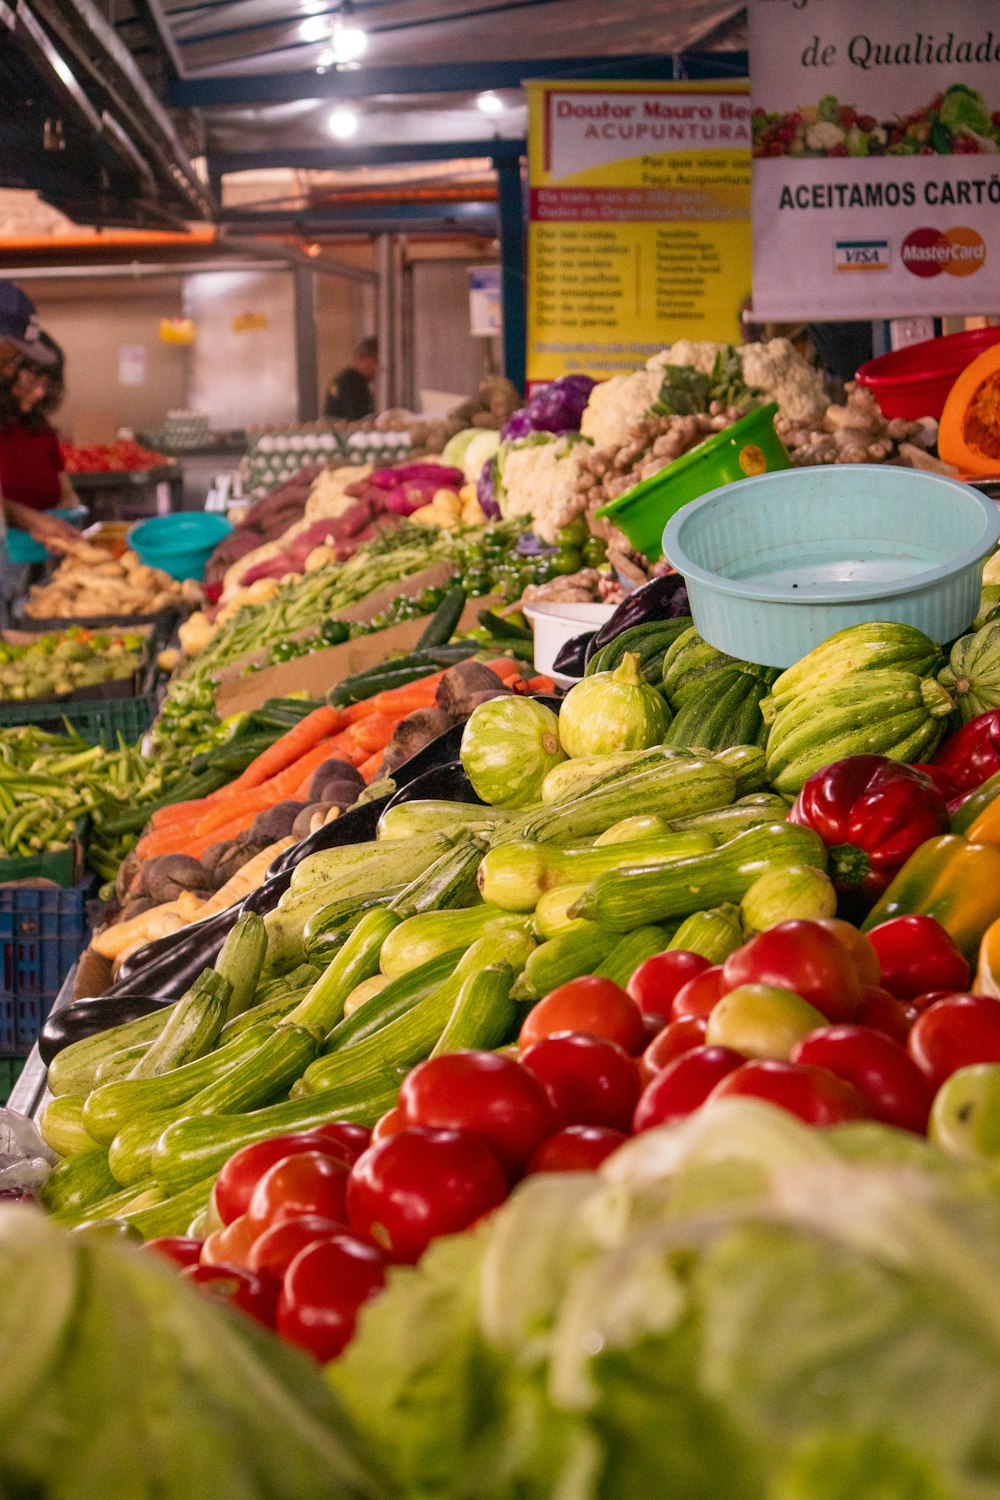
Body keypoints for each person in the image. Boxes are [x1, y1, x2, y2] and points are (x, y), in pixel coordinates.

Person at [0, 283, 80, 554]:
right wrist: (38, 522)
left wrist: (53, 520)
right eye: (9, 356)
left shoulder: (39, 428)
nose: (8, 368)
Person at [324, 336, 378, 421]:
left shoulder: (344, 378)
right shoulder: (355, 382)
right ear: (367, 360)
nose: (378, 370)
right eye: (377, 362)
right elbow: (359, 420)